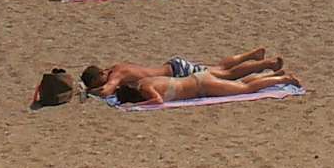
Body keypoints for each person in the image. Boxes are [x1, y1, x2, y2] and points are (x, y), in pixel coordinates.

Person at [85, 48, 284, 99]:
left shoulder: (116, 75)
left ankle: (266, 63)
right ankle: (253, 55)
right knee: (219, 69)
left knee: (227, 74)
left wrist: (88, 92)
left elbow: (106, 91)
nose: (101, 84)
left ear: (101, 74)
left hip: (178, 73)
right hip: (173, 67)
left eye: (98, 82)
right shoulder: (117, 67)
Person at [111, 65, 299, 106]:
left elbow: (157, 101)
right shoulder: (144, 82)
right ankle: (271, 75)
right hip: (197, 79)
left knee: (246, 89)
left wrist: (137, 105)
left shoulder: (145, 89)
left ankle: (284, 79)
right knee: (239, 83)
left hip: (202, 85)